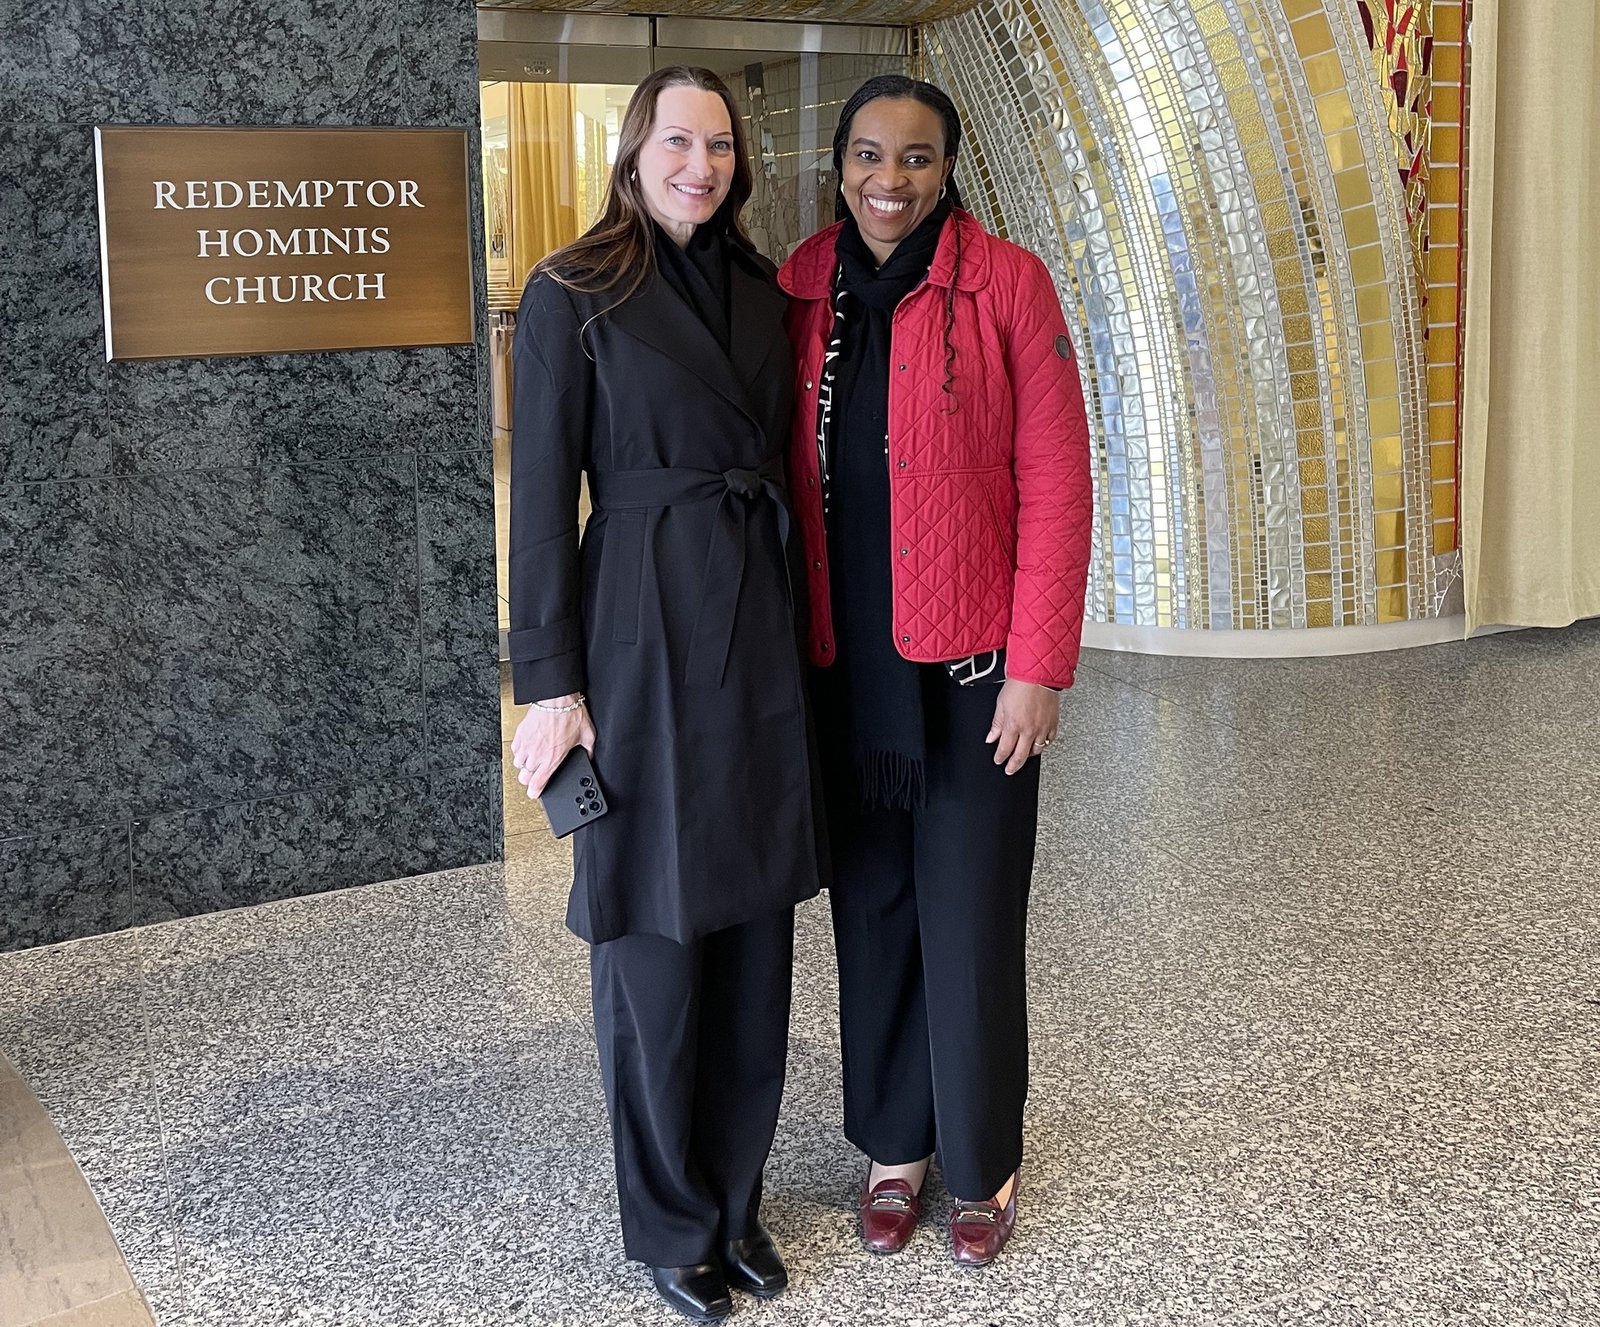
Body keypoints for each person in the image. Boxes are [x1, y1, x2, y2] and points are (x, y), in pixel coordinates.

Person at [507, 66, 822, 1323]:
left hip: (755, 622)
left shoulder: (761, 290)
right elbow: (541, 503)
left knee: (750, 929)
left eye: (720, 144)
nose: (701, 163)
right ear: (635, 150)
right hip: (635, 628)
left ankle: (735, 1202)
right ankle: (666, 1219)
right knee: (651, 936)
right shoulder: (571, 290)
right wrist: (549, 685)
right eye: (677, 140)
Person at [777, 75, 1092, 1267]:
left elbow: (1059, 484)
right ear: (841, 164)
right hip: (843, 666)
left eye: (914, 159)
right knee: (873, 913)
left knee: (968, 916)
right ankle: (893, 1145)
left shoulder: (1006, 282)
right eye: (867, 155)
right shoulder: (799, 285)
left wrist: (1037, 665)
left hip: (970, 676)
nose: (887, 181)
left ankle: (984, 1151)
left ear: (947, 168)